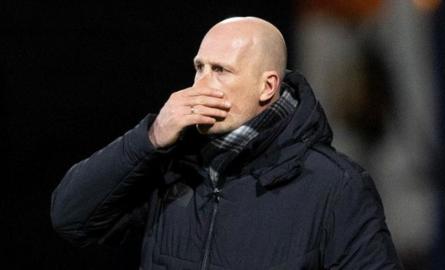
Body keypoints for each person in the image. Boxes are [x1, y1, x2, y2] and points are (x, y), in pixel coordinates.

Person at [51, 17, 402, 269]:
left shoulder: (336, 185)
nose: (201, 84)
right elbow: (72, 219)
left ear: (267, 86)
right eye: (199, 68)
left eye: (220, 70)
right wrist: (151, 138)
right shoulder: (170, 164)